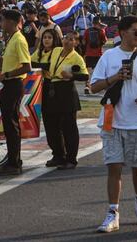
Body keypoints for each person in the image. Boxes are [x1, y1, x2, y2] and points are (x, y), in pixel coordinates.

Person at [89, 15, 137, 233]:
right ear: (122, 33)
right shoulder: (109, 56)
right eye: (136, 32)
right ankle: (113, 212)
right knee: (114, 167)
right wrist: (115, 77)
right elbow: (94, 87)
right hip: (111, 120)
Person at [0, 9, 31, 176]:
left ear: (12, 22)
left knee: (11, 124)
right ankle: (12, 160)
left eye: (4, 21)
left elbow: (26, 66)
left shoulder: (19, 40)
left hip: (14, 85)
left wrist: (3, 76)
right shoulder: (11, 39)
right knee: (8, 123)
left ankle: (14, 163)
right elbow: (8, 62)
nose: (1, 24)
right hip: (8, 85)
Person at [42, 29, 88, 169]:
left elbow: (85, 76)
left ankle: (71, 159)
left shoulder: (76, 58)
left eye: (72, 39)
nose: (68, 41)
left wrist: (72, 76)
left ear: (76, 42)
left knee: (69, 128)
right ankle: (58, 155)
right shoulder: (56, 50)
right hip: (52, 89)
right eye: (66, 38)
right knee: (51, 125)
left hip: (66, 91)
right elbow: (46, 62)